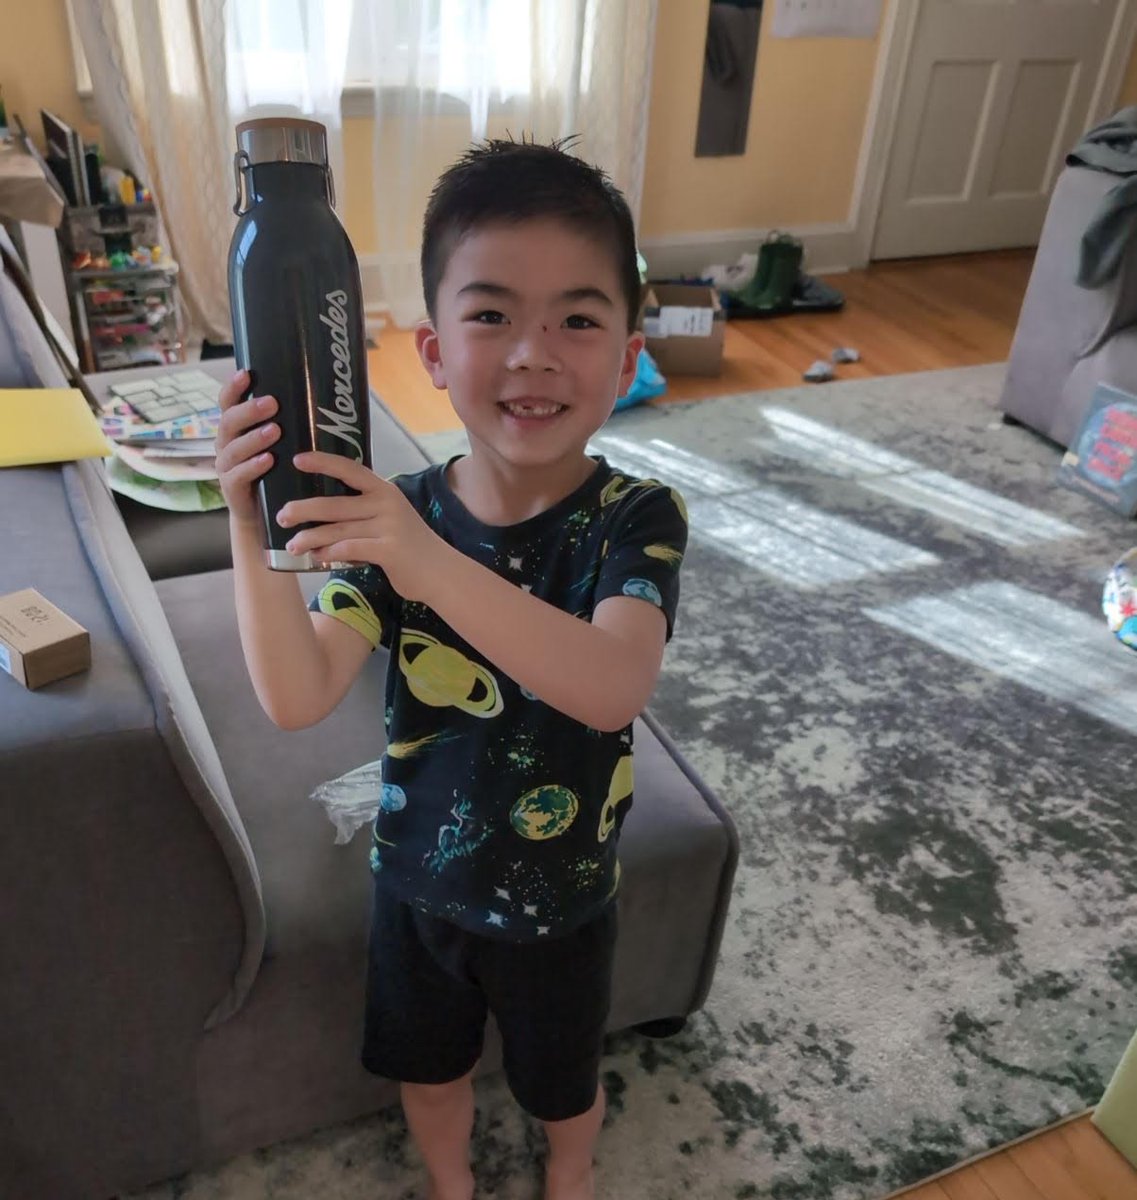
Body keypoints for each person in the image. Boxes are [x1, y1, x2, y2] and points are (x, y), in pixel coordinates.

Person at [214, 138, 688, 1200]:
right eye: (490, 316)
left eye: (577, 317)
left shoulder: (634, 520)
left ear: (626, 359)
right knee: (429, 1078)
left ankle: (569, 1176)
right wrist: (246, 526)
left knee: (561, 1086)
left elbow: (613, 684)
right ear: (430, 352)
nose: (532, 354)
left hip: (562, 900)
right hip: (416, 889)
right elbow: (296, 697)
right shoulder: (405, 518)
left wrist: (422, 563)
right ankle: (452, 1184)